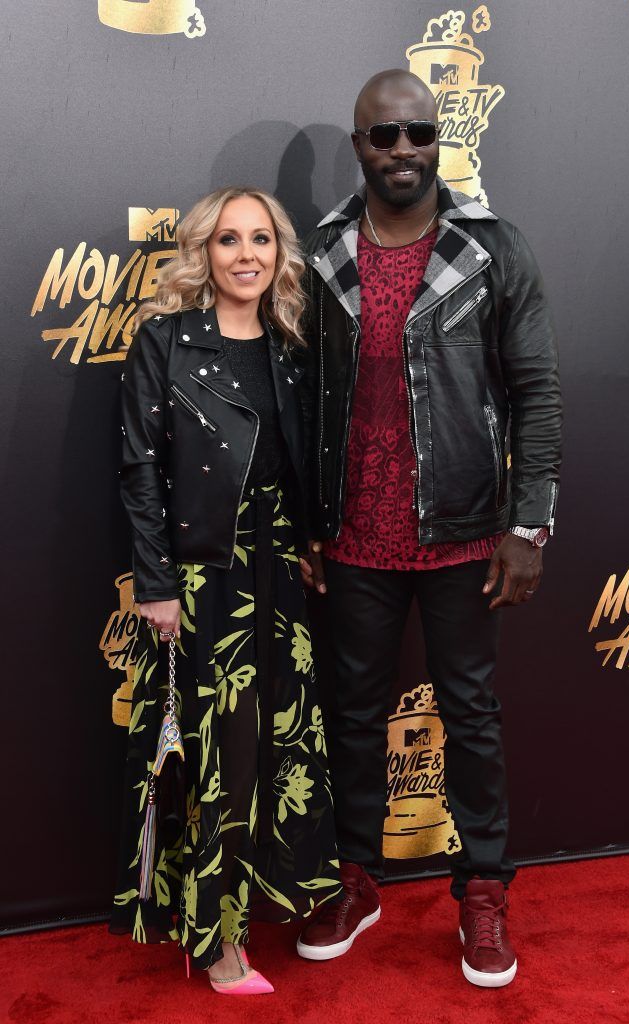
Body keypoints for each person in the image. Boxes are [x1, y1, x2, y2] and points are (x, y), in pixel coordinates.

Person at [297, 70, 562, 988]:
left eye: (419, 134)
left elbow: (536, 393)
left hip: (463, 535)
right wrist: (305, 523)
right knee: (353, 716)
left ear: (438, 138)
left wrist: (530, 525)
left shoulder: (492, 247)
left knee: (472, 720)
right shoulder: (324, 251)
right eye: (384, 137)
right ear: (359, 143)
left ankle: (483, 892)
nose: (403, 151)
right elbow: (302, 400)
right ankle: (357, 879)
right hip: (352, 538)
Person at [110, 186, 341, 995]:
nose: (248, 254)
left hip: (278, 576)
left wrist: (309, 543)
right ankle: (211, 941)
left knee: (277, 752)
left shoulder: (288, 346)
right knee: (219, 760)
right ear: (204, 252)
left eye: (264, 240)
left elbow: (293, 465)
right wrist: (157, 582)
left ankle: (250, 910)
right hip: (204, 580)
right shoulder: (165, 342)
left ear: (280, 254)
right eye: (230, 240)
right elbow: (140, 469)